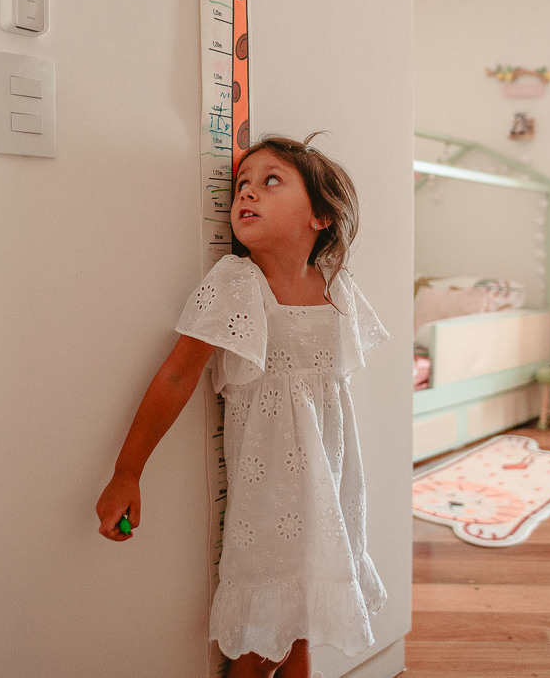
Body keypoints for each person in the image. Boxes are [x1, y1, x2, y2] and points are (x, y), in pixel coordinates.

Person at [95, 134, 388, 677]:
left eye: (269, 180)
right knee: (256, 648)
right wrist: (127, 471)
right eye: (241, 185)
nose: (246, 194)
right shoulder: (237, 284)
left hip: (330, 492)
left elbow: (336, 393)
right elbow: (178, 375)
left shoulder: (336, 289)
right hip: (270, 501)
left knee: (301, 636)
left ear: (320, 216)